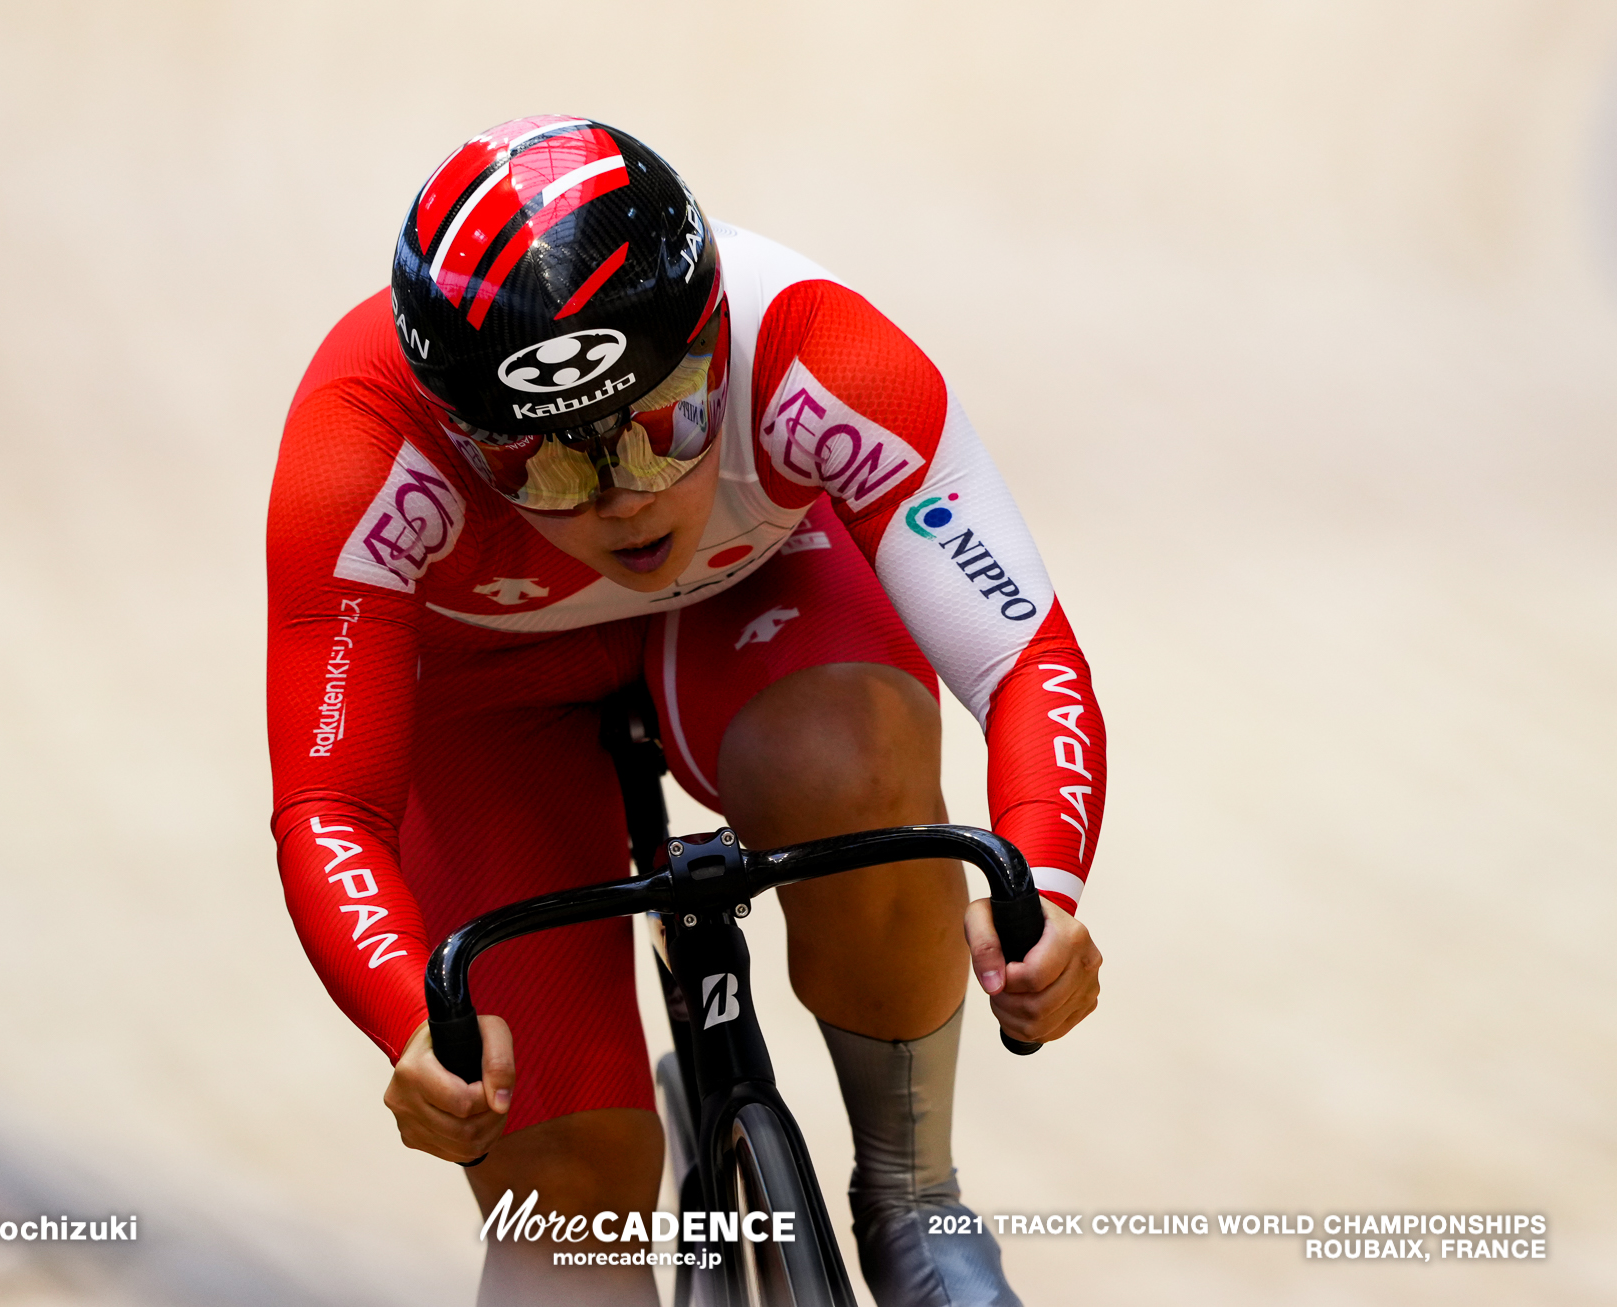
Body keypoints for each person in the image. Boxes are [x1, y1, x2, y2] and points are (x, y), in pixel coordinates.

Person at [266, 116, 1107, 1307]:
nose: (623, 499)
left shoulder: (817, 345)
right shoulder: (360, 441)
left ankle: (912, 1191)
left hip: (750, 599)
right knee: (565, 1194)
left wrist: (1048, 890)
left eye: (669, 424)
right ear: (455, 432)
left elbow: (1029, 663)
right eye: (545, 467)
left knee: (846, 762)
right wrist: (412, 1020)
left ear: (721, 342)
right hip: (484, 693)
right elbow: (327, 804)